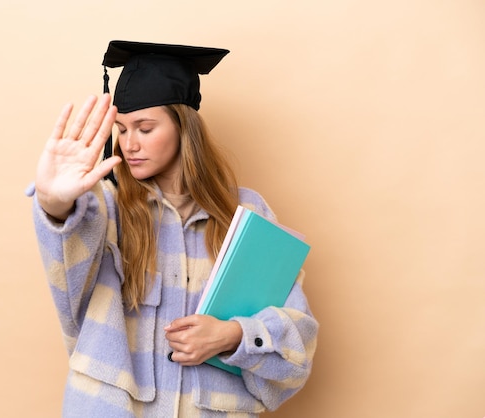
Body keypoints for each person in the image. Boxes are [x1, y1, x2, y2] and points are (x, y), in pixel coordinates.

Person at [28, 40, 318, 417]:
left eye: (144, 128)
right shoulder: (104, 205)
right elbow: (68, 256)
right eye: (121, 129)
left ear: (184, 127)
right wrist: (53, 202)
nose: (129, 144)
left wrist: (233, 335)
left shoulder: (245, 215)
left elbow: (297, 348)